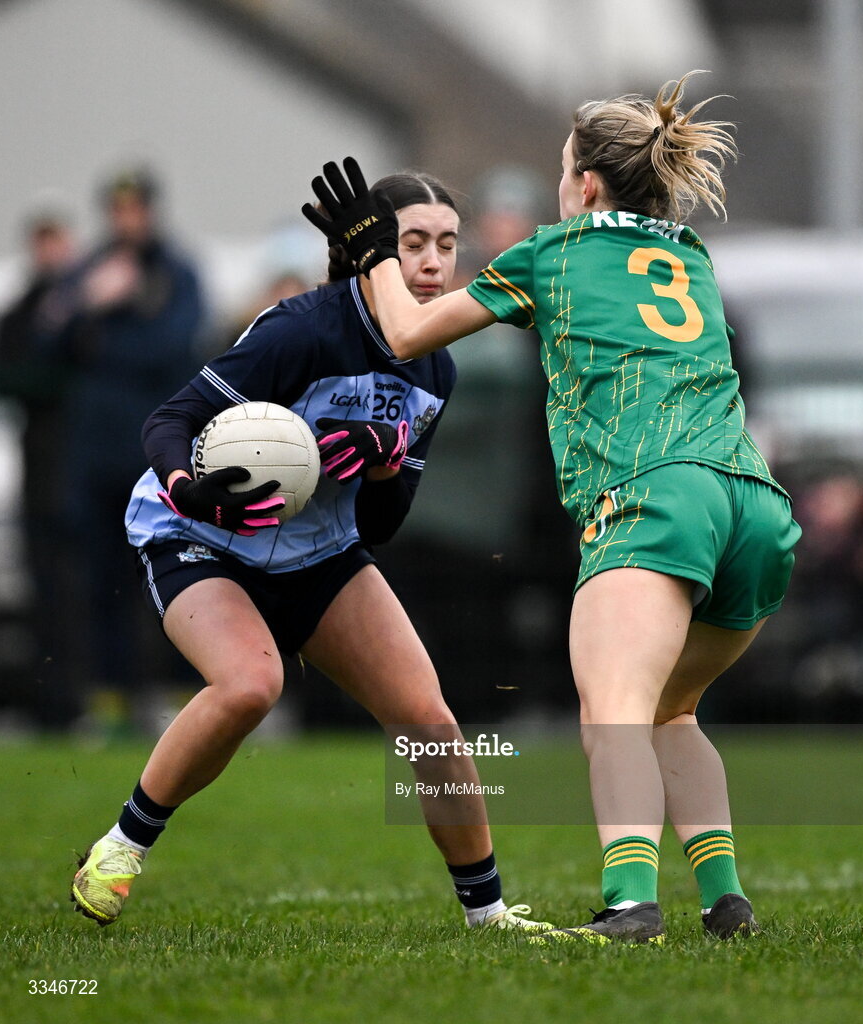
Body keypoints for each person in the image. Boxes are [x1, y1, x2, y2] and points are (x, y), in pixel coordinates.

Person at [301, 71, 801, 944]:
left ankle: (631, 902)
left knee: (612, 711)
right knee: (668, 713)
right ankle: (726, 900)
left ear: (589, 186)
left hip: (655, 495)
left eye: (565, 168)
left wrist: (371, 251)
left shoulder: (555, 252)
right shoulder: (690, 254)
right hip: (752, 504)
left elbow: (407, 332)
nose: (560, 183)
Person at [69, 170, 550, 934]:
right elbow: (171, 418)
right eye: (413, 243)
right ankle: (123, 844)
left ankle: (487, 916)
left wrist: (385, 463)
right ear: (374, 255)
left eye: (448, 245)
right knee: (250, 686)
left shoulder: (437, 365)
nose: (432, 263)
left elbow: (384, 523)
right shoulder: (302, 330)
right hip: (203, 537)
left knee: (431, 721)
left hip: (319, 552)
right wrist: (188, 486)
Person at [45, 168, 204, 717]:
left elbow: (172, 347)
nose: (126, 220)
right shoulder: (90, 270)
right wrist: (91, 306)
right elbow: (50, 343)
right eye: (117, 211)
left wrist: (113, 322)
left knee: (176, 573)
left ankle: (190, 695)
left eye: (135, 209)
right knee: (101, 583)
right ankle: (112, 700)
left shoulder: (176, 272)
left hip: (154, 456)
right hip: (95, 457)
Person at [0, 209, 81, 728]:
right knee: (45, 589)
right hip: (40, 469)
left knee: (84, 589)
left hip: (81, 470)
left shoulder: (85, 304)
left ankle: (91, 699)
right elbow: (5, 378)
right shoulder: (23, 310)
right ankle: (53, 705)